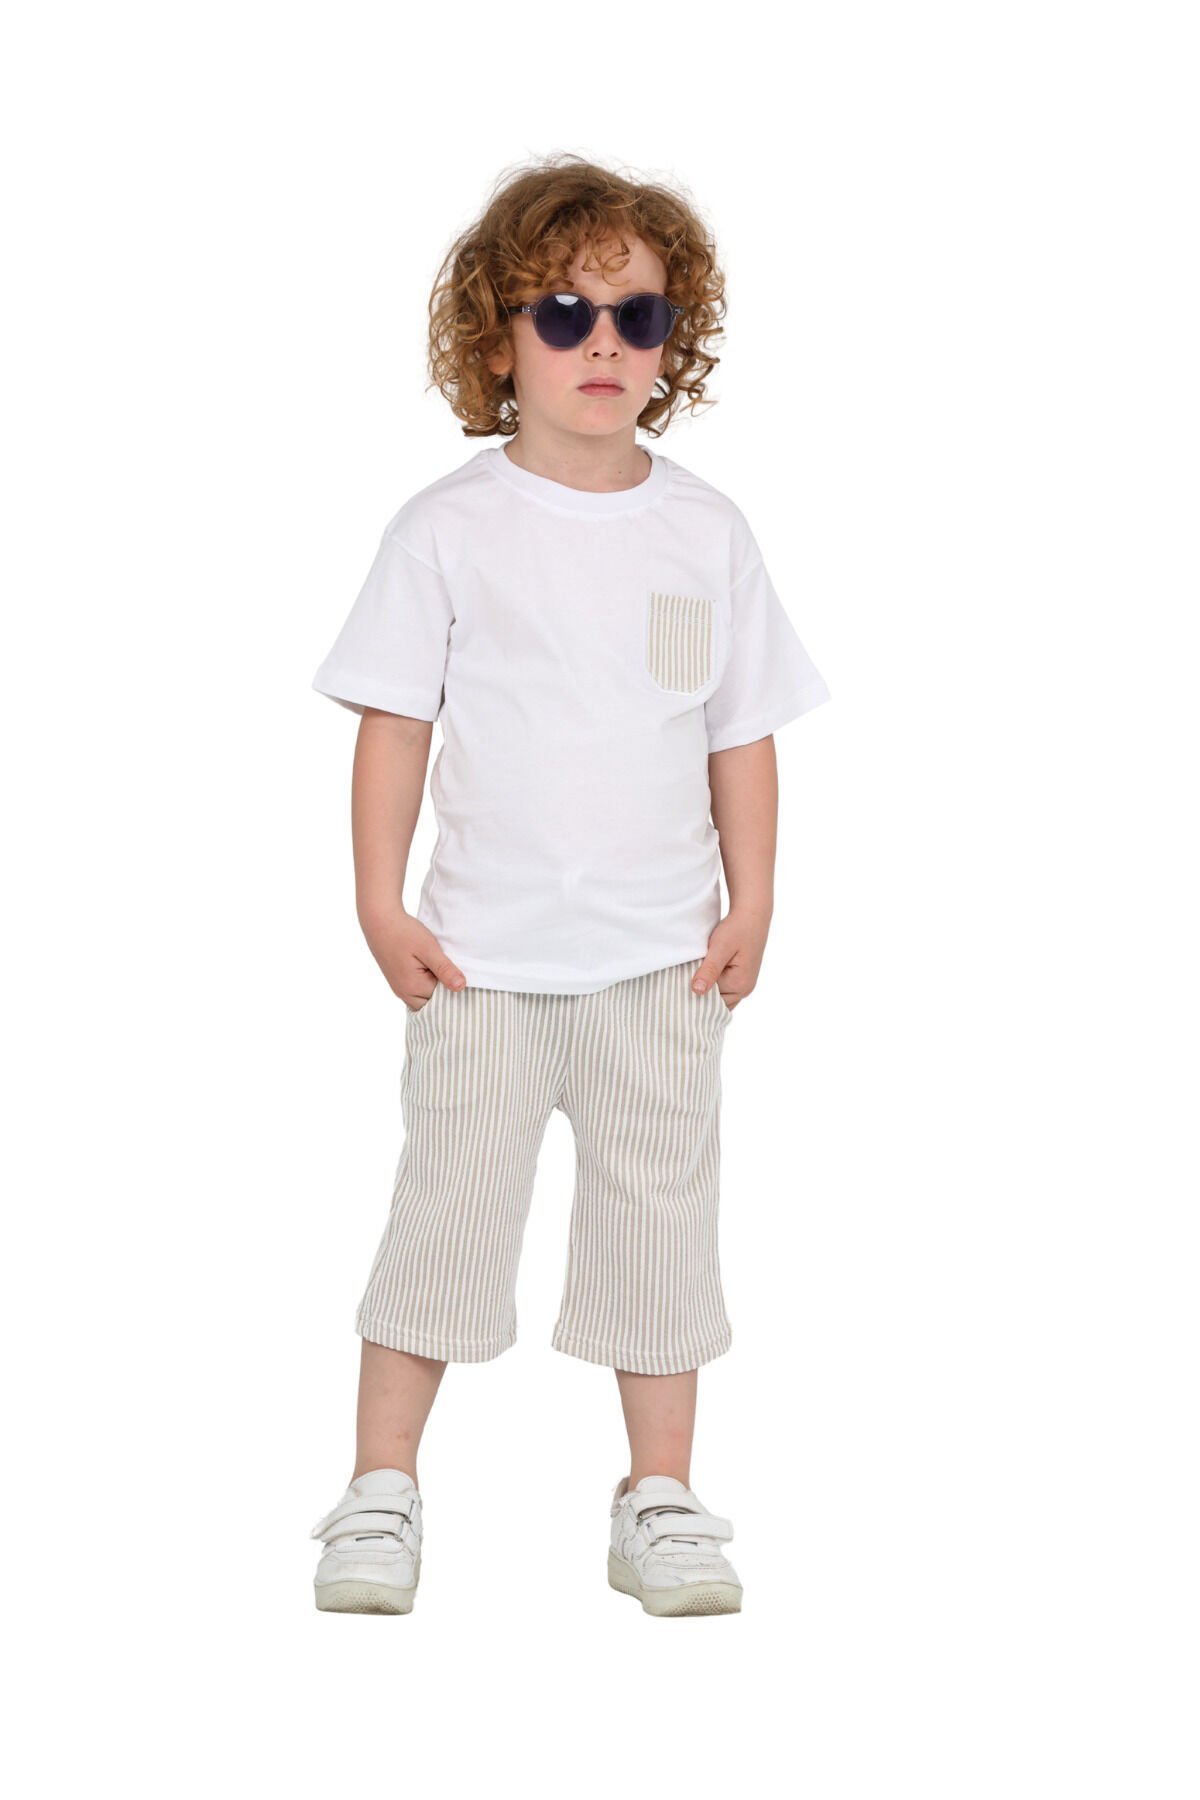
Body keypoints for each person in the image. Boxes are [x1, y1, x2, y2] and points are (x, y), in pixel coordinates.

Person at [306, 156, 830, 1618]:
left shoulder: (707, 533)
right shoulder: (447, 531)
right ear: (498, 342)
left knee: (661, 1226)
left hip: (661, 960)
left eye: (637, 316)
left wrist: (753, 903)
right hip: (479, 957)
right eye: (563, 313)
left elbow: (739, 732)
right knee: (445, 1217)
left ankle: (658, 1496)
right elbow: (394, 725)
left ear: (672, 343)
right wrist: (380, 901)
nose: (604, 342)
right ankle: (381, 1488)